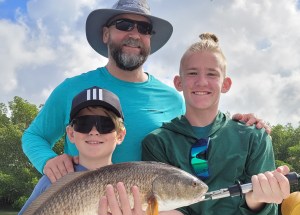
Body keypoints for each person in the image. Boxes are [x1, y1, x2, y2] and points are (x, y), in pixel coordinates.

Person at [98, 33, 291, 215]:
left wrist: (259, 199)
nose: (202, 82)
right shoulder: (157, 142)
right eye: (192, 73)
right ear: (178, 82)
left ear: (226, 84)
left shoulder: (254, 137)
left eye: (212, 74)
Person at [22, 0, 269, 184]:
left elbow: (197, 146)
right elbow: (33, 137)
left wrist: (239, 128)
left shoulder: (173, 98)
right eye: (124, 25)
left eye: (143, 28)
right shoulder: (71, 89)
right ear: (106, 34)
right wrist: (48, 161)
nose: (134, 34)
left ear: (150, 39)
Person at [4, 86, 148, 215]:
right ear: (71, 133)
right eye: (83, 124)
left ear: (120, 135)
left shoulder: (132, 190)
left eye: (105, 124)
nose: (94, 131)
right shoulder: (51, 181)